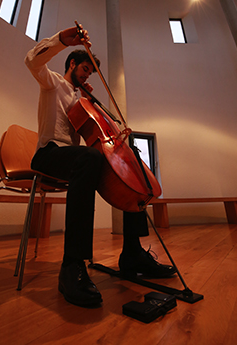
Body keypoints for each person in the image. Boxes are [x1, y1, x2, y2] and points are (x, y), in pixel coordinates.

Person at [25, 25, 175, 307]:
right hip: (48, 154)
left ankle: (132, 253)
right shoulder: (53, 82)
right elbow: (32, 60)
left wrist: (115, 131)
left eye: (89, 73)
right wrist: (60, 40)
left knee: (130, 172)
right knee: (90, 157)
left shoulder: (82, 98)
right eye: (84, 69)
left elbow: (93, 132)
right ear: (72, 64)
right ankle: (72, 265)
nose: (86, 75)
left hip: (74, 158)